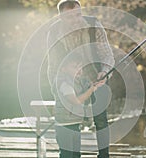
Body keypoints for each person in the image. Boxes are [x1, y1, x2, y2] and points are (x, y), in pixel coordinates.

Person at [47, 0, 115, 157]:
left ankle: (104, 155)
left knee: (101, 120)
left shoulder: (94, 25)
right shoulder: (54, 31)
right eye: (70, 17)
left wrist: (104, 72)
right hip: (71, 79)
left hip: (97, 76)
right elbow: (53, 63)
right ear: (61, 17)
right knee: (71, 119)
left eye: (78, 14)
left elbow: (107, 54)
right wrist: (56, 89)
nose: (76, 19)